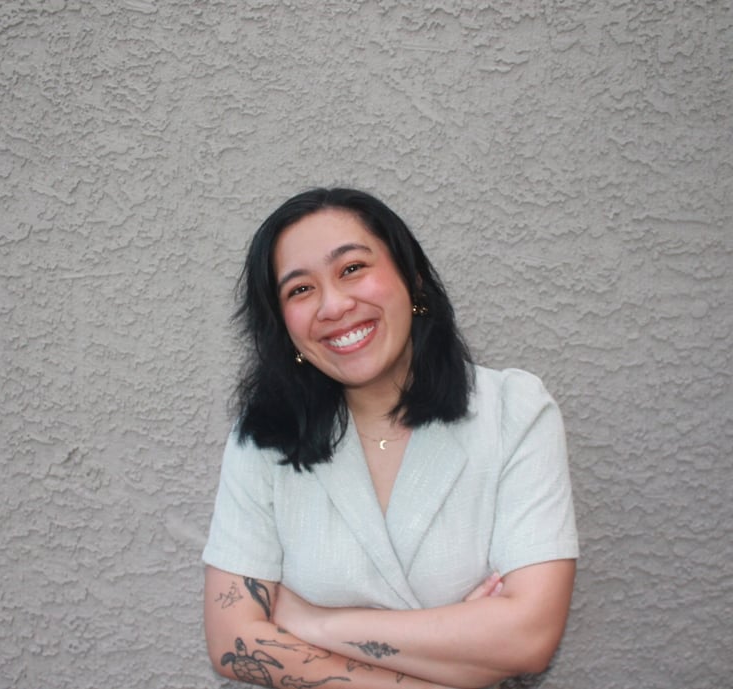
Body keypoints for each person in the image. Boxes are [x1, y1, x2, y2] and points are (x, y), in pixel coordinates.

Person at [202, 187, 578, 689]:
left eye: (352, 268)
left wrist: (313, 622)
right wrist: (462, 648)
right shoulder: (265, 436)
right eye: (300, 289)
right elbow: (233, 642)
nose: (334, 305)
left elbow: (530, 638)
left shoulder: (514, 410)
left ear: (412, 277)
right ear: (282, 325)